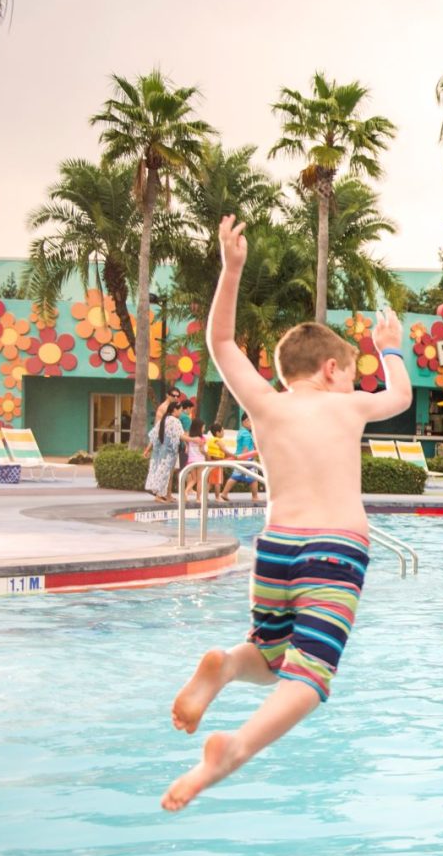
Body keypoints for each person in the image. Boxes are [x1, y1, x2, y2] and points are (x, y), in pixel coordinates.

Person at [161, 216, 414, 811]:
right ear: (332, 370)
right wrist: (390, 348)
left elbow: (220, 343)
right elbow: (400, 396)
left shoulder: (266, 406)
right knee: (308, 675)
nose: (354, 379)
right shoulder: (347, 406)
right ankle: (236, 749)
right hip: (335, 550)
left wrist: (231, 270)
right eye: (350, 369)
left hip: (274, 548)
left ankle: (224, 667)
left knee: (273, 657)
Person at [143, 395, 185, 503]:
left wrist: (147, 450)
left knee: (166, 474)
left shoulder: (164, 420)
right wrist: (194, 440)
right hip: (169, 453)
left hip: (163, 453)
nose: (181, 412)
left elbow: (154, 436)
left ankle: (166, 495)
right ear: (175, 410)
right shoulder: (174, 421)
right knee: (166, 474)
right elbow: (182, 436)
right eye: (180, 410)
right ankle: (159, 495)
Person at [218, 413, 260, 503]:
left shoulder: (241, 431)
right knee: (253, 477)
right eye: (251, 421)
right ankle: (255, 496)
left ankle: (224, 493)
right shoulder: (246, 434)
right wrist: (245, 459)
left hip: (240, 458)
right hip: (246, 458)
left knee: (235, 476)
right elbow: (245, 448)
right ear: (245, 421)